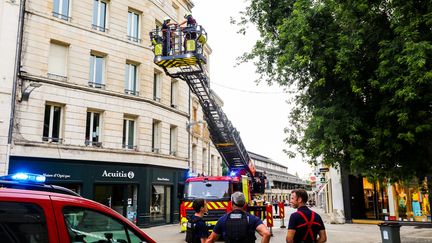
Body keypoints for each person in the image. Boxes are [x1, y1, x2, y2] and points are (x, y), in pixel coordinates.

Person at [206, 192, 271, 243]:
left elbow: (210, 240)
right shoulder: (252, 219)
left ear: (231, 204)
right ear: (245, 204)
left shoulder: (223, 219)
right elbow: (266, 234)